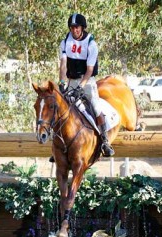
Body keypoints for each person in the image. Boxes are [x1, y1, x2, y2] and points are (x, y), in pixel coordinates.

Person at [58, 13, 115, 157]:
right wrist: (61, 81)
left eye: (76, 27)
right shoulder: (65, 42)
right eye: (72, 27)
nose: (74, 30)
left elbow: (89, 70)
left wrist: (81, 87)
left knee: (95, 107)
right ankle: (58, 143)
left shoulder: (91, 43)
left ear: (82, 27)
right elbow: (63, 64)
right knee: (61, 108)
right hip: (72, 80)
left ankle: (105, 140)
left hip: (87, 80)